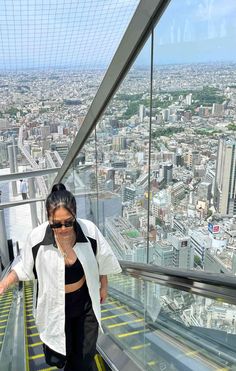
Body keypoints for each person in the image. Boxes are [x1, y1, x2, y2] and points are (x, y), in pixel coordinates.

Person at [0, 183, 121, 370]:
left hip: (84, 303)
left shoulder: (89, 231)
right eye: (56, 224)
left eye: (68, 222)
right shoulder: (37, 238)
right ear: (48, 219)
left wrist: (103, 285)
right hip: (54, 305)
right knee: (59, 355)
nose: (63, 228)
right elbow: (24, 266)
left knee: (83, 357)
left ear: (75, 216)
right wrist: (6, 281)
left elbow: (101, 259)